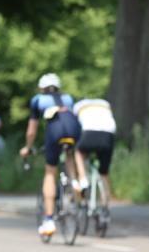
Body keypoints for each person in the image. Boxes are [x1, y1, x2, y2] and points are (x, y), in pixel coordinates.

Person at [19, 73, 82, 238]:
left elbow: (32, 131)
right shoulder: (68, 98)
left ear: (42, 88)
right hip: (73, 129)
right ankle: (75, 182)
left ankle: (48, 220)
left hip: (55, 130)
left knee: (50, 172)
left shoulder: (38, 100)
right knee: (69, 153)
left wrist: (28, 147)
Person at [73, 97, 117, 205]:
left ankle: (83, 179)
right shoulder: (105, 103)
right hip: (108, 133)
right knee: (104, 171)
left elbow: (75, 128)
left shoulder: (78, 106)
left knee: (79, 152)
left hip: (89, 131)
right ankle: (105, 202)